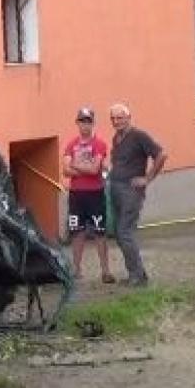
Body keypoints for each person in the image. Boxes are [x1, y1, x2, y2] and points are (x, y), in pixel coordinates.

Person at [107, 103, 168, 287]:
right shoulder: (116, 138)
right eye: (113, 118)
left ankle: (137, 277)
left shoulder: (138, 135)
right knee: (119, 233)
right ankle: (137, 273)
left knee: (125, 232)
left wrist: (147, 178)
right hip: (116, 189)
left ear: (128, 117)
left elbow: (162, 154)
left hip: (131, 191)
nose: (117, 121)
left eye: (120, 117)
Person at [63, 107, 113, 283]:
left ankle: (105, 271)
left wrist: (76, 165)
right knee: (77, 233)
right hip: (76, 194)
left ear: (93, 123)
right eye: (82, 121)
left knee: (100, 232)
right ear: (77, 123)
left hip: (95, 193)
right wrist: (85, 166)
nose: (85, 125)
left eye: (88, 121)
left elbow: (94, 170)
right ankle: (76, 270)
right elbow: (65, 171)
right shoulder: (71, 144)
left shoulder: (99, 144)